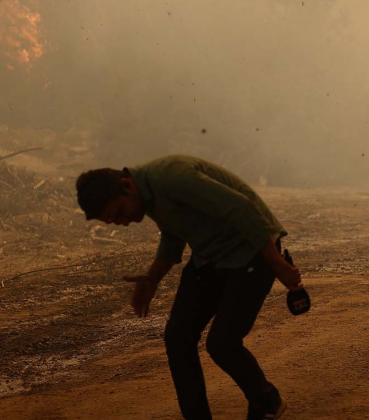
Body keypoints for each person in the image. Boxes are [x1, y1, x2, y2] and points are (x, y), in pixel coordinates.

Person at [75, 154, 300, 420]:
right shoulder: (148, 196)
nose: (123, 222)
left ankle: (267, 402)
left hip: (253, 252)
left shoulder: (173, 177)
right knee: (178, 338)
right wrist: (152, 279)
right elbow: (173, 237)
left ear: (126, 185)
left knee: (222, 343)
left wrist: (276, 263)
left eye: (120, 213)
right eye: (114, 221)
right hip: (212, 257)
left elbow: (242, 207)